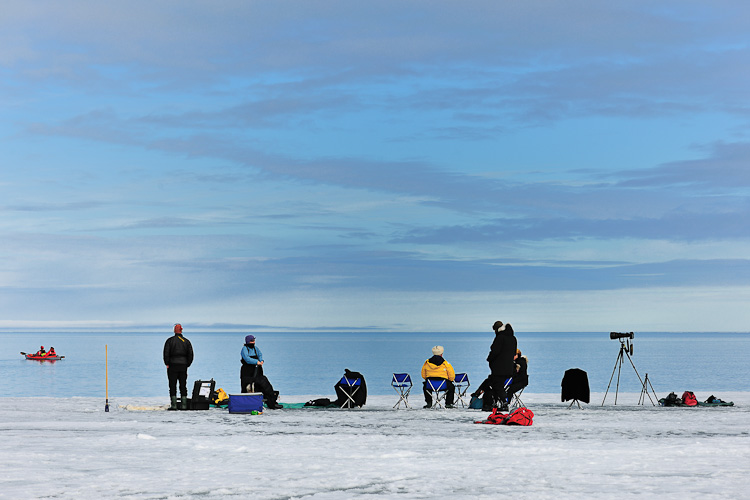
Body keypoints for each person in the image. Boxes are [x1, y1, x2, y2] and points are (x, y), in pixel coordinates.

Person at [240, 335, 282, 409]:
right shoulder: (244, 349)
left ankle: (271, 402)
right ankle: (245, 403)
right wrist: (256, 362)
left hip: (257, 370)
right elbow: (247, 359)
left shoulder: (256, 348)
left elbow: (260, 354)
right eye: (252, 340)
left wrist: (261, 360)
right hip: (247, 371)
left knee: (263, 385)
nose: (253, 342)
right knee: (245, 387)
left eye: (254, 340)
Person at [486, 320, 517, 411]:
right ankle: (498, 403)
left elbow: (495, 351)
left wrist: (489, 359)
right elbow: (514, 352)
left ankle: (503, 402)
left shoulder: (500, 338)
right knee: (498, 385)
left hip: (498, 367)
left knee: (497, 385)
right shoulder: (513, 338)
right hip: (509, 367)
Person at [163, 323, 194, 410]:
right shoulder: (186, 341)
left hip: (172, 365)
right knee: (183, 385)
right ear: (181, 330)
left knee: (172, 385)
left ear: (174, 330)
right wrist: (187, 364)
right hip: (183, 366)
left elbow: (166, 354)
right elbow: (191, 355)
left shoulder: (169, 341)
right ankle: (184, 405)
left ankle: (174, 405)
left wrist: (167, 363)